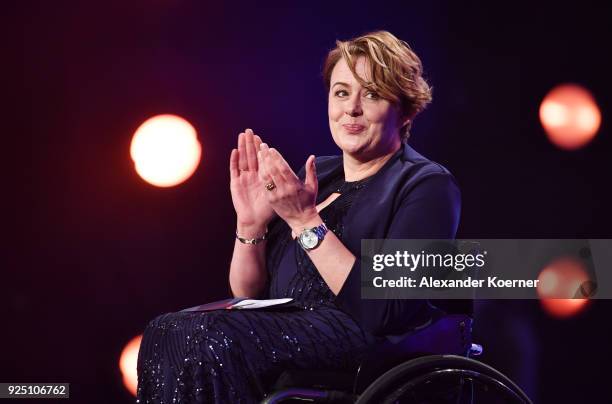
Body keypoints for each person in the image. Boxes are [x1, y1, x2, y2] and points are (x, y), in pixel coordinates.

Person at [136, 30, 462, 404]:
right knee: (165, 329)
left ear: (404, 108)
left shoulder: (426, 185)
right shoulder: (316, 177)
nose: (351, 108)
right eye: (341, 92)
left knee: (212, 335)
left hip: (364, 341)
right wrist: (250, 225)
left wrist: (306, 222)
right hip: (288, 328)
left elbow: (384, 310)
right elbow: (247, 294)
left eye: (371, 94)